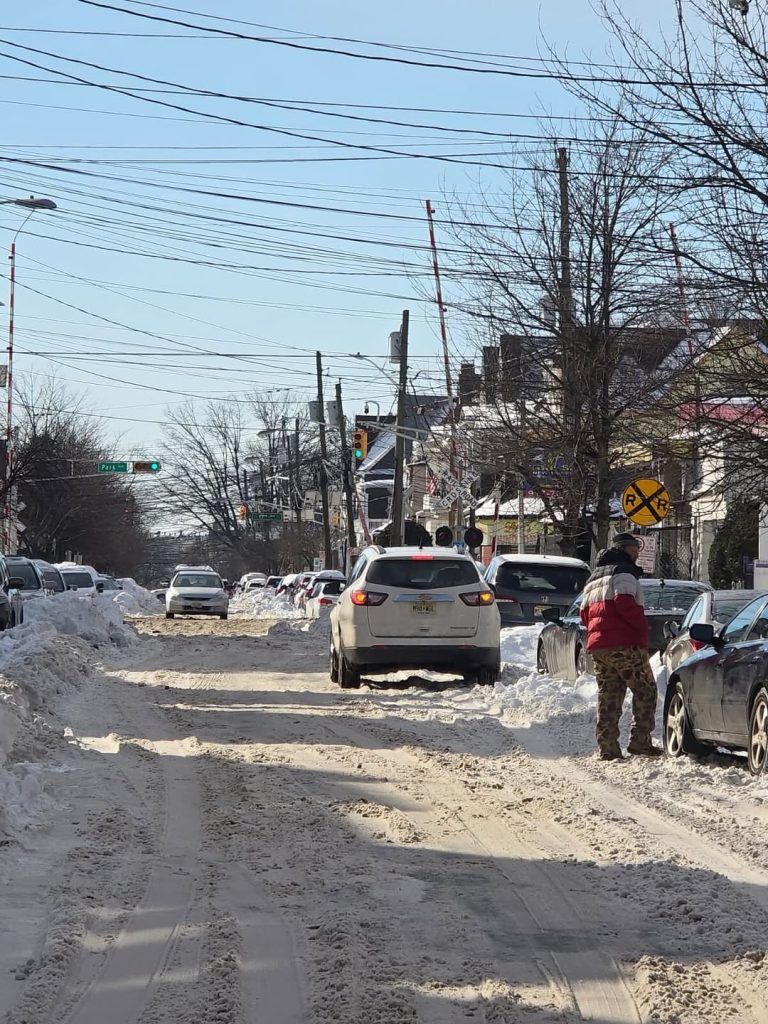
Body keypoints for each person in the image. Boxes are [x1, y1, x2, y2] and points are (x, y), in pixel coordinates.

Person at [580, 532, 662, 761]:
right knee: (646, 689)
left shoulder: (594, 577)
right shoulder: (624, 572)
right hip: (624, 643)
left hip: (599, 647)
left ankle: (607, 747)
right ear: (625, 549)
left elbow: (583, 614)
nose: (638, 552)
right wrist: (641, 629)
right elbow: (624, 603)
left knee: (609, 694)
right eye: (635, 548)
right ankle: (640, 742)